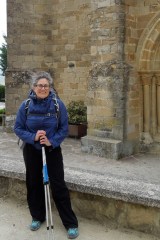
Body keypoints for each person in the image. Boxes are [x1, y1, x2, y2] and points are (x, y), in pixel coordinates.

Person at [14, 71, 79, 239]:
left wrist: (51, 141)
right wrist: (34, 137)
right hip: (32, 150)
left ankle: (70, 223)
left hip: (52, 150)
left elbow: (64, 129)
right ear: (34, 87)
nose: (43, 88)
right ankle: (37, 216)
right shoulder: (26, 105)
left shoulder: (58, 105)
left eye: (46, 86)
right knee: (34, 183)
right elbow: (18, 128)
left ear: (50, 88)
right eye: (40, 85)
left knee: (58, 185)